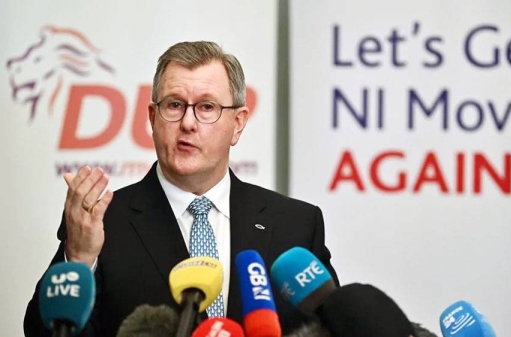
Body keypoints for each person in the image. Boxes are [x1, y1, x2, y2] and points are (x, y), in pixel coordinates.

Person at [24, 41, 338, 336]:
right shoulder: (103, 221)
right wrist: (79, 258)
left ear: (238, 123)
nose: (188, 123)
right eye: (175, 105)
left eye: (206, 107)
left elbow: (331, 328)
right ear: (152, 117)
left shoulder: (296, 225)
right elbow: (42, 332)